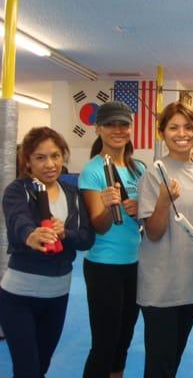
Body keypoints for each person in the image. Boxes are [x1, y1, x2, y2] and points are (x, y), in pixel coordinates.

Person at [136, 102, 193, 377]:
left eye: (188, 127)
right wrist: (163, 202)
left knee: (173, 358)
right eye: (173, 127)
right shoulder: (155, 173)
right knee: (160, 364)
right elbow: (153, 232)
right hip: (160, 285)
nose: (182, 133)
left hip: (192, 281)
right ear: (162, 132)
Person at [0, 127, 95, 377]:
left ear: (63, 157)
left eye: (55, 155)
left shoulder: (73, 194)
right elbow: (18, 220)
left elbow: (86, 238)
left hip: (58, 295)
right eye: (40, 157)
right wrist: (31, 235)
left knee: (42, 366)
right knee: (27, 370)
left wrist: (66, 234)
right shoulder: (17, 190)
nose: (49, 164)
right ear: (28, 162)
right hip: (19, 297)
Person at [78, 101, 145, 378]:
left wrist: (140, 209)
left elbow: (148, 221)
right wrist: (107, 205)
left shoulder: (139, 168)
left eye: (123, 124)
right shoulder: (92, 171)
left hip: (135, 264)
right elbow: (100, 226)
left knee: (123, 343)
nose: (118, 130)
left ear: (131, 128)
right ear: (98, 129)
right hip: (104, 267)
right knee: (104, 345)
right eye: (110, 124)